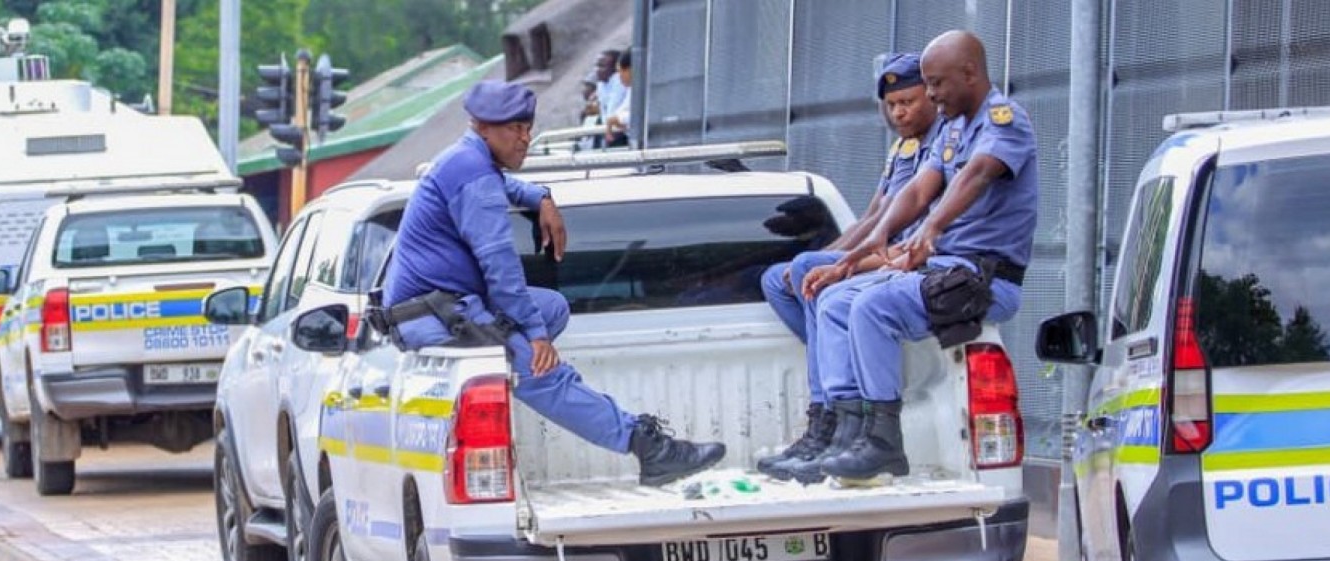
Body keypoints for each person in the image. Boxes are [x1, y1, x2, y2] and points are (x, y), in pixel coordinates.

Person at [379, 80, 726, 486]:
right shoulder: (472, 174)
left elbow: (502, 186)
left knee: (553, 306)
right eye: (515, 129)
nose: (526, 138)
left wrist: (540, 196)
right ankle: (649, 448)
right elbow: (500, 267)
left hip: (447, 305)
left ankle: (521, 370)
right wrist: (536, 336)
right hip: (439, 314)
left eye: (528, 127)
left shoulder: (465, 160)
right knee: (542, 368)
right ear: (482, 126)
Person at [798, 30, 1038, 482]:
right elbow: (917, 190)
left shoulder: (1005, 121)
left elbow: (977, 176)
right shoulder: (952, 129)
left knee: (872, 307)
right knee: (835, 301)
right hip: (938, 269)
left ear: (969, 74)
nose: (929, 94)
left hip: (981, 277)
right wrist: (869, 245)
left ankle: (885, 442)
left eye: (936, 83)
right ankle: (851, 432)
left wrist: (932, 227)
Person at [756, 52, 944, 482]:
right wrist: (833, 258)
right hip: (877, 257)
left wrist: (832, 265)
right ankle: (839, 367)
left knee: (808, 271)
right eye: (893, 105)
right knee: (779, 278)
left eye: (909, 101)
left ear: (932, 97)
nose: (900, 112)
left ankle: (833, 417)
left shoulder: (942, 148)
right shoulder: (903, 149)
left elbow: (894, 226)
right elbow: (871, 217)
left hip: (900, 261)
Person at [603, 51, 634, 147]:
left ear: (630, 70)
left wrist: (620, 119)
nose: (619, 76)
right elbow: (619, 113)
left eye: (620, 71)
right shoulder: (631, 89)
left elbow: (640, 116)